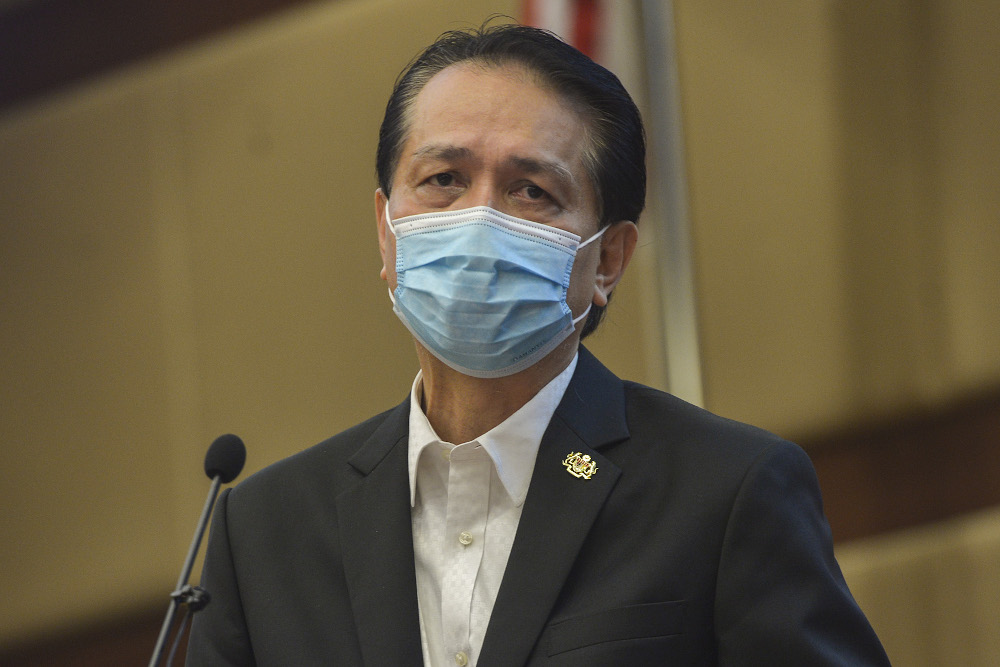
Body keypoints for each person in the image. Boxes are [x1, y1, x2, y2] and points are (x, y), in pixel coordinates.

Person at [186, 23, 890, 666]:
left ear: (608, 258)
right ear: (385, 227)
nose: (478, 220)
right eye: (443, 181)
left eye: (530, 191)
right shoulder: (263, 534)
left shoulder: (727, 491)